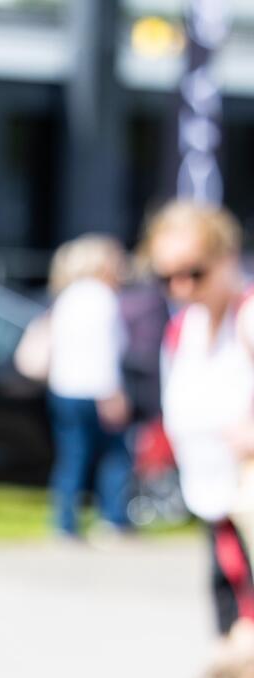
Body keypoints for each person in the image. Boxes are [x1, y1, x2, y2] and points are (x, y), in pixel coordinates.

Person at [145, 199, 254, 634]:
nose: (181, 287)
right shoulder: (182, 329)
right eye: (166, 276)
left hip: (245, 503)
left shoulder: (246, 316)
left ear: (226, 259)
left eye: (195, 272)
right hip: (216, 504)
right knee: (231, 635)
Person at [44, 234, 132, 539]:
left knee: (72, 457)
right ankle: (113, 517)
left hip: (63, 387)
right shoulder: (103, 298)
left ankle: (64, 522)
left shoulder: (67, 296)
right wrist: (114, 393)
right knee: (115, 456)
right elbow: (106, 350)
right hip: (96, 388)